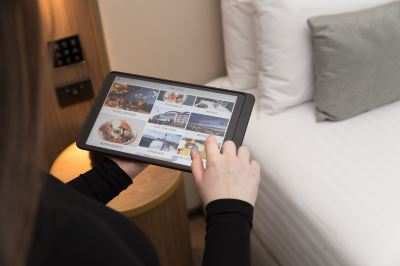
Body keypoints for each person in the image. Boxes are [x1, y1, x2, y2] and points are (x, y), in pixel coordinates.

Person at [0, 1, 261, 266]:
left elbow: (41, 210)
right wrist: (229, 213)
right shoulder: (74, 246)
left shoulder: (13, 190)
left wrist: (114, 173)